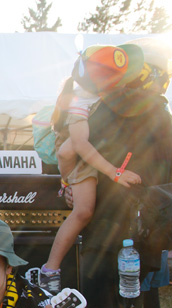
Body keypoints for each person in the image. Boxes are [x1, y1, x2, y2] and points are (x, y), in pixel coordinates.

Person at [64, 37, 172, 308]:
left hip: (117, 237)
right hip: (125, 237)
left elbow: (71, 150)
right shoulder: (128, 109)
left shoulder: (133, 110)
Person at [37, 44, 144, 293]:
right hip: (81, 158)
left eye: (111, 75)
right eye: (102, 73)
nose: (107, 79)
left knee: (84, 211)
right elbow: (78, 145)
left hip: (83, 157)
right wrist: (114, 172)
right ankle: (49, 270)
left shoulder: (95, 95)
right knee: (83, 212)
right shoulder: (79, 98)